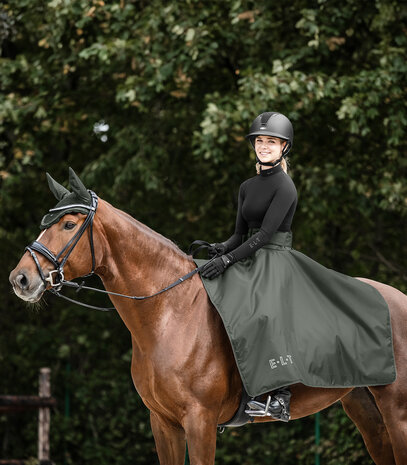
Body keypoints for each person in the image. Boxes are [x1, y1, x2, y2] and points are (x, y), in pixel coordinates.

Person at [200, 111, 296, 422]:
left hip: (274, 258)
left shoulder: (285, 186)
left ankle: (279, 396)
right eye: (260, 141)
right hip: (247, 252)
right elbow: (240, 234)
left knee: (262, 311)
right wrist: (220, 249)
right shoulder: (246, 186)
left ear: (283, 147)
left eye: (271, 141)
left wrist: (228, 259)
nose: (264, 146)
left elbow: (266, 235)